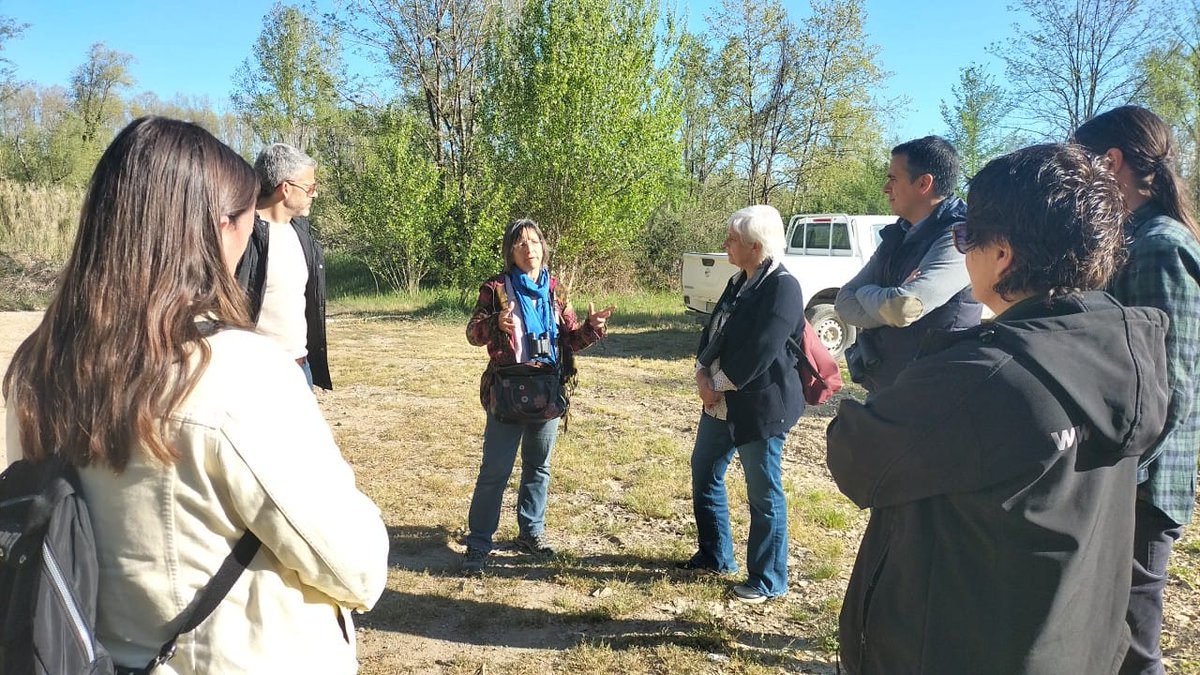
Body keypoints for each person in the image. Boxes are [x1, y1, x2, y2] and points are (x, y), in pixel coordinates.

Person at [3, 117, 388, 673]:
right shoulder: (238, 371)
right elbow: (356, 564)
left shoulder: (38, 369)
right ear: (216, 228)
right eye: (244, 222)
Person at [826, 143, 1170, 674]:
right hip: (1074, 643)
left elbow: (856, 458)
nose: (962, 251)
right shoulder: (1129, 348)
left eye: (966, 237)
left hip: (961, 646)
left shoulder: (982, 376)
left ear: (1002, 253)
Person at [1074, 105, 1200, 675]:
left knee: (1133, 644)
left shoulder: (1158, 246)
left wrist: (1121, 473)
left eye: (1082, 165)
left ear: (1112, 161)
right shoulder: (1135, 238)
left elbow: (1168, 387)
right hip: (1126, 474)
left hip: (1143, 486)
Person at [462, 218, 613, 574]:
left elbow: (570, 339)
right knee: (494, 472)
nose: (529, 250)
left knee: (538, 468)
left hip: (546, 390)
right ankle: (479, 544)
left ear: (544, 247)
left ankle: (531, 534)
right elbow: (472, 333)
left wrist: (591, 329)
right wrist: (494, 323)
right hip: (507, 390)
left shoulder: (556, 291)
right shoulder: (496, 288)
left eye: (534, 242)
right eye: (520, 245)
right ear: (510, 253)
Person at [677, 205, 806, 604]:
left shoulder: (783, 287)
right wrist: (702, 372)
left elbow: (761, 352)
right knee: (705, 470)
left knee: (763, 493)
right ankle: (716, 556)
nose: (725, 244)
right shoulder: (739, 280)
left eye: (731, 239)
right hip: (718, 400)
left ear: (755, 245)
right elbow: (714, 331)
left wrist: (714, 383)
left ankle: (768, 579)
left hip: (759, 406)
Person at [834, 135, 981, 392]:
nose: (885, 188)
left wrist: (867, 292)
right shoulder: (899, 234)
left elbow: (903, 308)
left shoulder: (959, 237)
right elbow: (844, 302)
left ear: (924, 183)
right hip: (890, 389)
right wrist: (887, 302)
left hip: (936, 396)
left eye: (893, 178)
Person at [236, 143, 331, 391]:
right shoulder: (240, 236)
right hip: (256, 374)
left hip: (301, 367)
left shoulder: (302, 234)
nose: (315, 194)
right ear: (285, 189)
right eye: (310, 188)